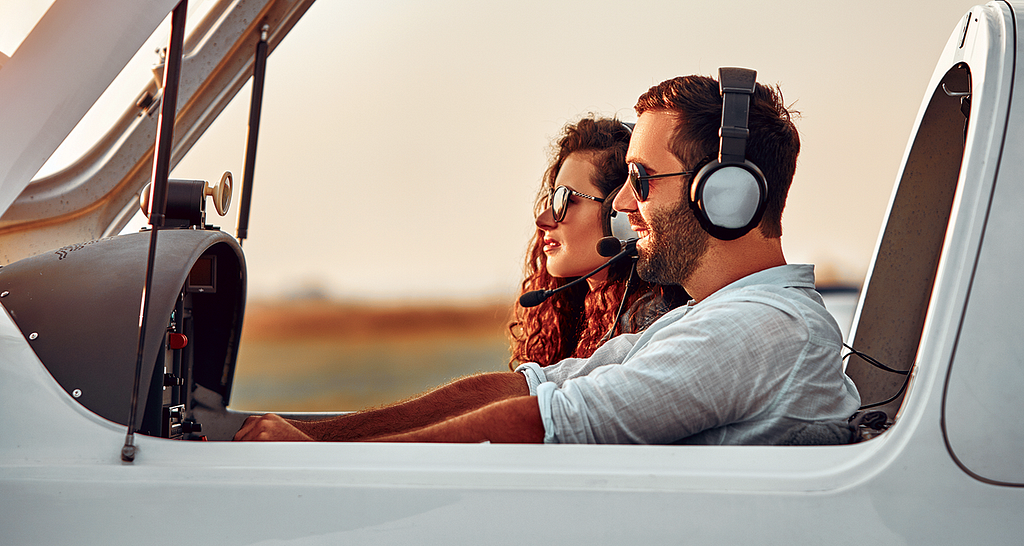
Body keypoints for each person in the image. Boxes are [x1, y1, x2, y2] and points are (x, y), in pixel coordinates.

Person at [235, 70, 861, 445]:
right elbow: (525, 387)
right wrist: (311, 435)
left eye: (642, 179)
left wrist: (317, 459)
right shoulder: (709, 318)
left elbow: (544, 423)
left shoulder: (760, 330)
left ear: (726, 197)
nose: (623, 201)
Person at [508, 116, 687, 369]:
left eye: (565, 200)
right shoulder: (579, 318)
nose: (543, 219)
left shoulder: (653, 329)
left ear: (621, 215)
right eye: (551, 199)